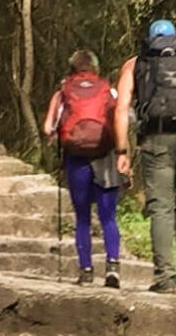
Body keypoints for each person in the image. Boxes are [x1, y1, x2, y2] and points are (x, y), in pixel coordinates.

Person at [113, 19, 176, 292]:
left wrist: (121, 150)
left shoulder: (135, 64)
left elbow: (121, 109)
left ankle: (165, 277)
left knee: (161, 207)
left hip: (155, 140)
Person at [43, 49, 124, 287]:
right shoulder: (107, 89)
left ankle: (86, 271)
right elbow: (121, 119)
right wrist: (123, 153)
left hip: (76, 158)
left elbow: (49, 127)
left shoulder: (63, 91)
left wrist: (57, 137)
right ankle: (112, 267)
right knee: (108, 217)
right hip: (105, 156)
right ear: (95, 67)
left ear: (73, 68)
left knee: (82, 217)